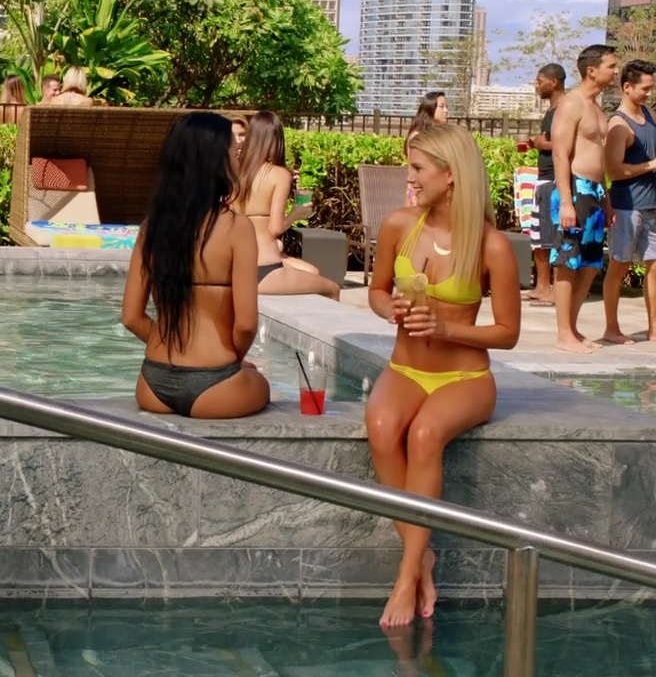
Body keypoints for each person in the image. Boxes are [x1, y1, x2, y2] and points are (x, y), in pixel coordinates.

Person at [364, 123, 520, 629]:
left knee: (426, 434)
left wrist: (447, 329)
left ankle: (407, 576)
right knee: (382, 426)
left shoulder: (491, 246)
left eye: (417, 168)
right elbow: (376, 291)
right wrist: (388, 308)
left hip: (465, 379)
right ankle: (423, 556)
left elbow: (508, 334)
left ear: (450, 175)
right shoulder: (398, 224)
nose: (409, 177)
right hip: (405, 368)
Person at [121, 112, 270, 419]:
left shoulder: (152, 228)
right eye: (233, 151)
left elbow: (131, 317)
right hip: (215, 382)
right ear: (214, 160)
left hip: (153, 382)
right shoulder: (237, 228)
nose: (238, 158)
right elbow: (246, 324)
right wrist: (232, 362)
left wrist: (172, 346)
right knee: (261, 384)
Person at [550, 44, 618, 354]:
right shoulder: (571, 103)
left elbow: (598, 157)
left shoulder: (596, 107)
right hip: (575, 189)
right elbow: (560, 154)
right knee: (568, 262)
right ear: (592, 70)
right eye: (611, 66)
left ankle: (573, 328)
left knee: (590, 263)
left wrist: (605, 197)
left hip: (594, 191)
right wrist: (566, 201)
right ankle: (563, 333)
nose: (615, 72)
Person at [235, 111, 340, 300]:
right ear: (276, 141)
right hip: (265, 269)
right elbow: (275, 228)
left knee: (311, 272)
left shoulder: (234, 174)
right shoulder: (279, 175)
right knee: (332, 289)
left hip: (238, 267)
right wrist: (295, 214)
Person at [602, 59, 656, 344]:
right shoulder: (619, 124)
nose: (649, 93)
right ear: (627, 87)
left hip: (652, 206)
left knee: (654, 267)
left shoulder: (650, 115)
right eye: (645, 88)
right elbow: (613, 171)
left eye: (651, 87)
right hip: (626, 207)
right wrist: (651, 165)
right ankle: (611, 329)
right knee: (619, 267)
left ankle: (654, 328)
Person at [525, 63, 567, 306]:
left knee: (552, 236)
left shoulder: (564, 110)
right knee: (539, 235)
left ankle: (554, 290)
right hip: (544, 178)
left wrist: (544, 145)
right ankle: (542, 286)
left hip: (555, 179)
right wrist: (537, 144)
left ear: (554, 82)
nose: (536, 86)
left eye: (540, 82)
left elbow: (571, 144)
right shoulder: (551, 111)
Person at [404, 92, 448, 206]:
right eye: (441, 106)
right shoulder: (417, 136)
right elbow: (413, 169)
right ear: (430, 108)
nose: (446, 111)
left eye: (446, 106)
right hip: (419, 191)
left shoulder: (440, 135)